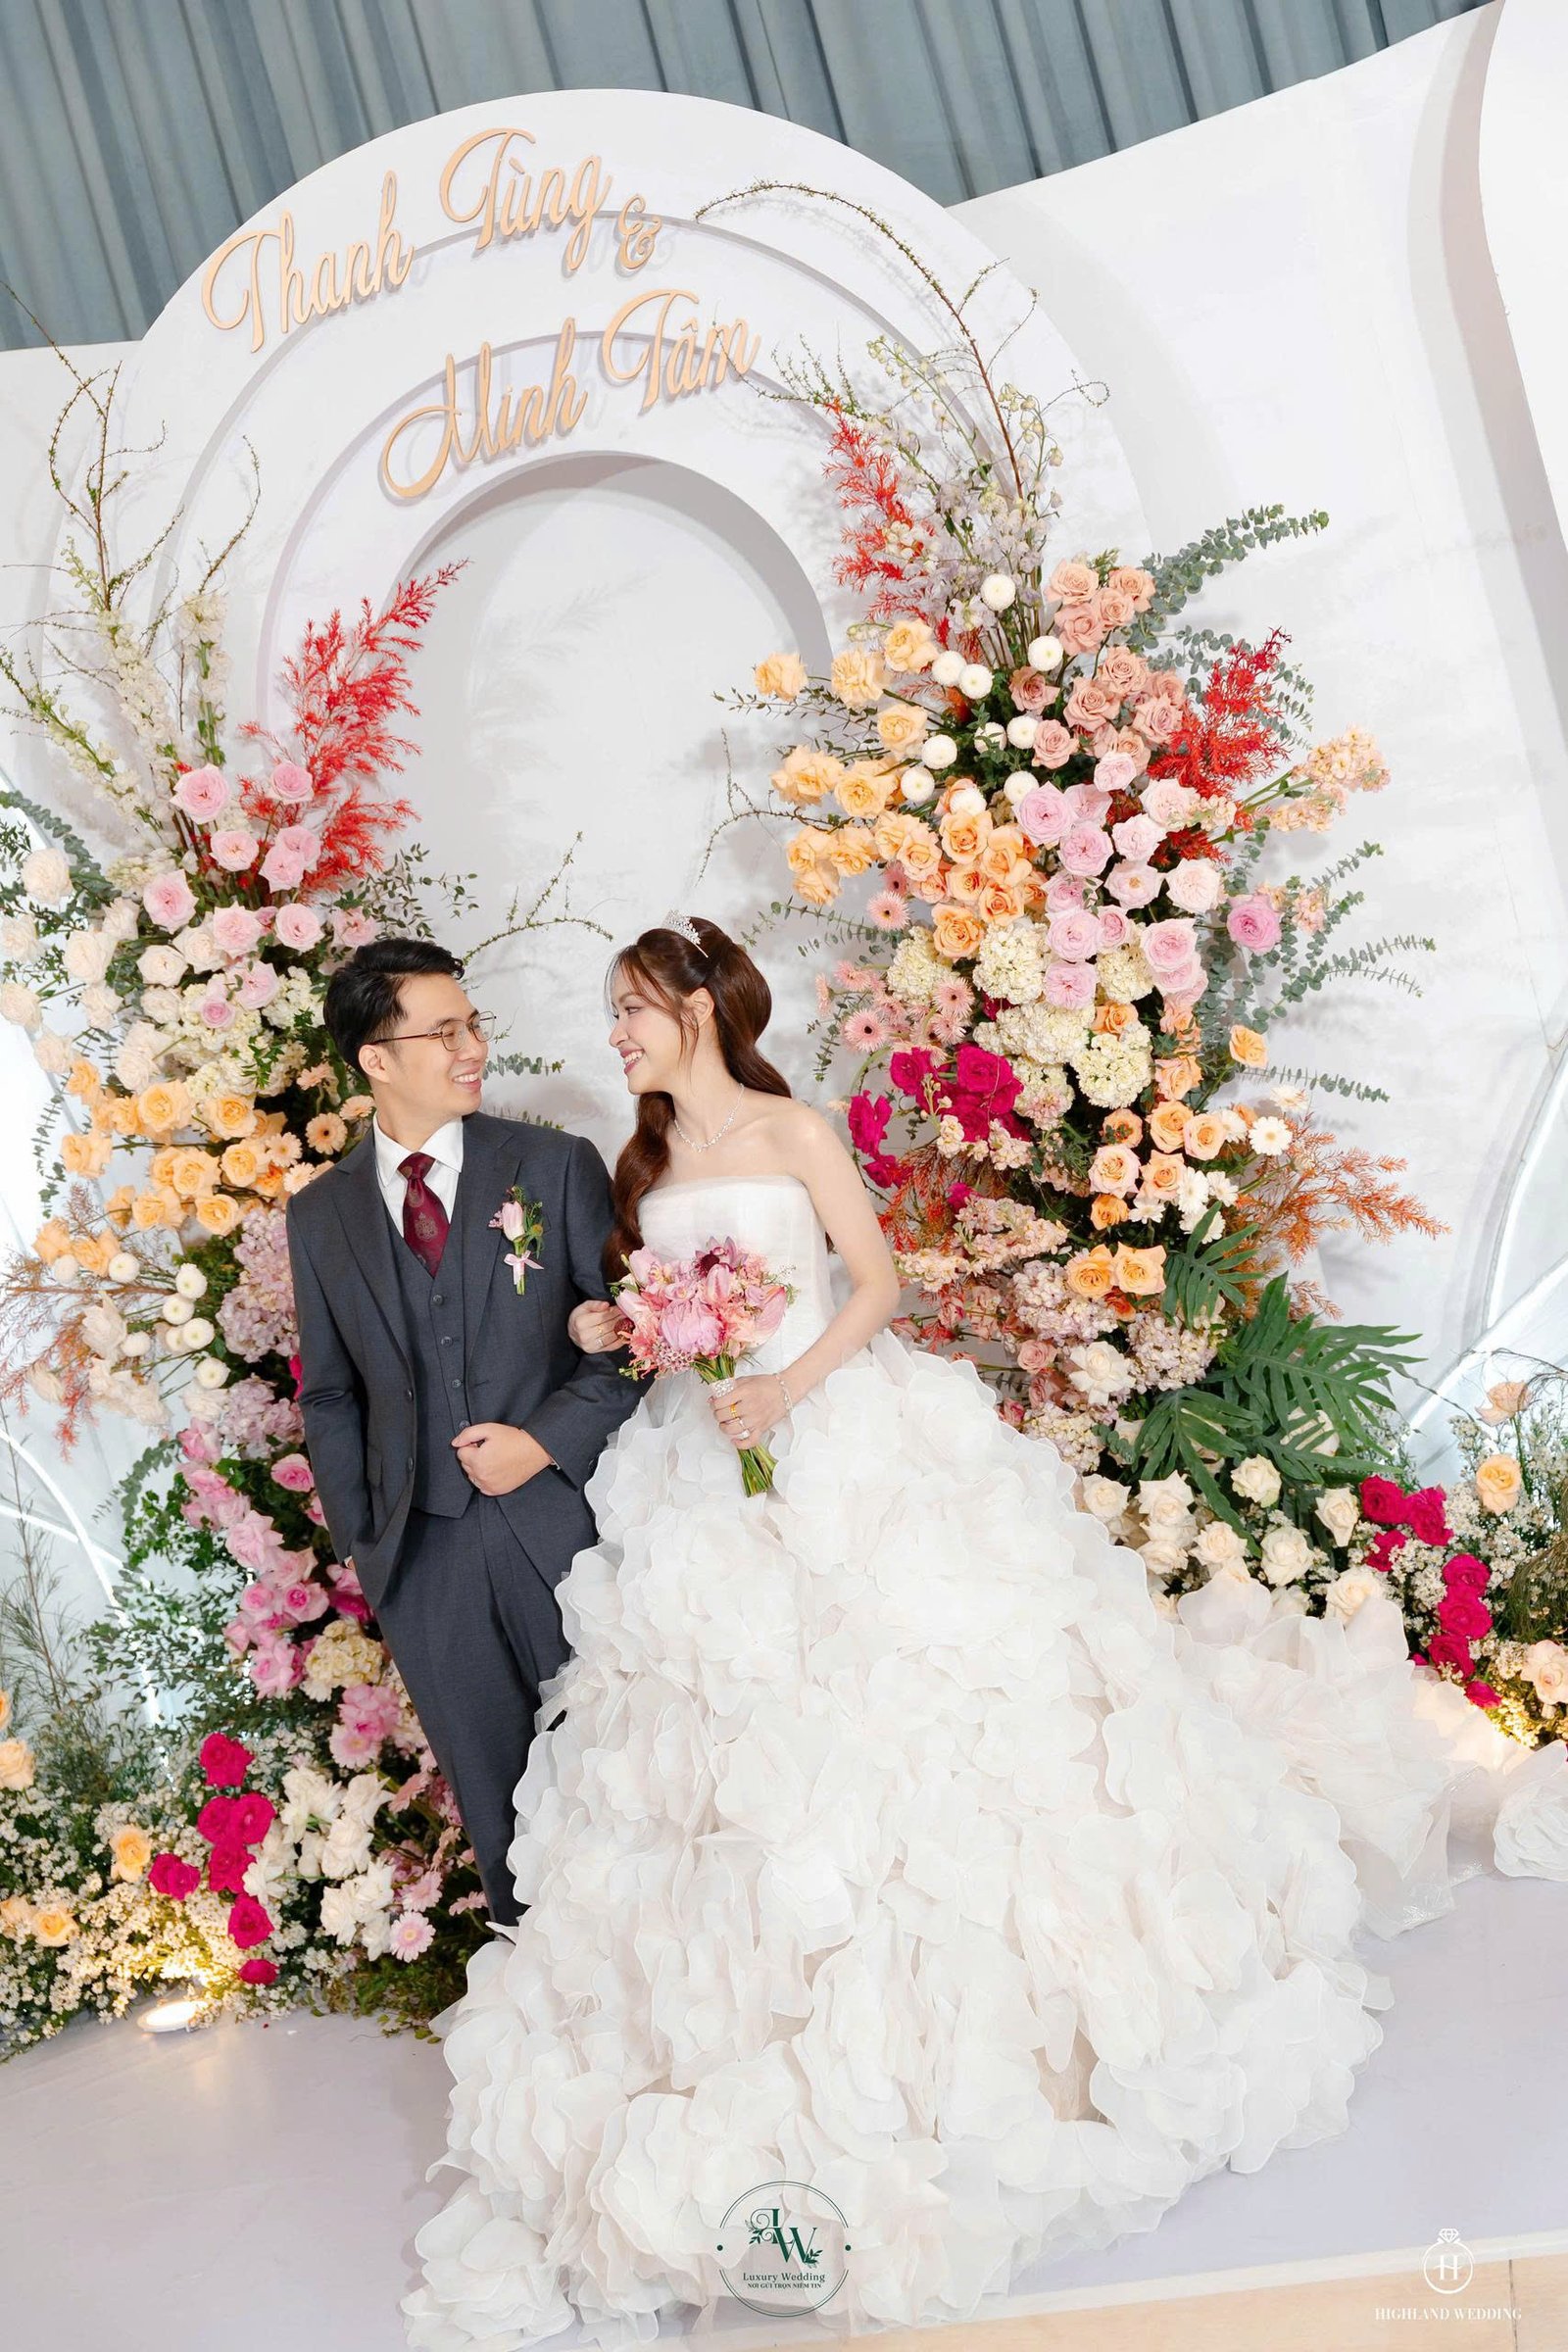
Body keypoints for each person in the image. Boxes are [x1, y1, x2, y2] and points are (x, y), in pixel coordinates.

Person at [402, 914, 1568, 2346]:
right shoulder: (639, 1167)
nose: (616, 1032)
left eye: (632, 1006)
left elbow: (877, 1283)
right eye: (612, 1011)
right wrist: (624, 1334)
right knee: (723, 1731)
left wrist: (787, 1388)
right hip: (705, 1468)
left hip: (834, 1433)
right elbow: (657, 1324)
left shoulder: (789, 1129)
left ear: (696, 1007)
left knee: (922, 1702)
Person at [285, 937, 645, 1928]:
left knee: (623, 1776)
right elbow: (329, 1394)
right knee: (502, 1817)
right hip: (422, 1559)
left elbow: (633, 1340)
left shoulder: (551, 1166)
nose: (472, 1048)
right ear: (377, 1058)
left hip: (566, 1526)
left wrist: (543, 1442)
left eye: (473, 1024)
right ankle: (547, 1997)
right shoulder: (319, 1217)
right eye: (443, 1032)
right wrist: (370, 1544)